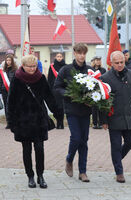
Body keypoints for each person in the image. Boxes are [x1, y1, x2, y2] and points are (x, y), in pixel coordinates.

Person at [7, 54, 61, 189]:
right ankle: (30, 176)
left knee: (39, 148)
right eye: (29, 67)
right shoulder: (17, 79)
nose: (32, 69)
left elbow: (49, 96)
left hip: (38, 118)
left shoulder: (41, 78)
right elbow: (11, 101)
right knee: (26, 149)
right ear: (23, 66)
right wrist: (11, 121)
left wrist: (57, 111)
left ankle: (40, 175)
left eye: (34, 66)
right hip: (22, 119)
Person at [101, 51, 131, 183]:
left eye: (122, 62)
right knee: (115, 145)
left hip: (129, 117)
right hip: (113, 118)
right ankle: (119, 172)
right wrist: (103, 121)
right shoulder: (105, 78)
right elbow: (101, 101)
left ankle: (117, 158)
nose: (120, 65)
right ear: (111, 63)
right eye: (117, 63)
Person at [54, 43, 92, 182]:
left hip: (86, 110)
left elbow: (96, 88)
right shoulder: (66, 70)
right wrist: (70, 93)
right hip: (72, 110)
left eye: (84, 53)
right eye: (79, 53)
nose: (82, 55)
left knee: (84, 141)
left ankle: (83, 172)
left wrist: (93, 99)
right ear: (74, 54)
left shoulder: (89, 70)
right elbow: (57, 87)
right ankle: (69, 159)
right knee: (76, 137)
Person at [0, 54, 18, 129]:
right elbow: (0, 81)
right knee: (6, 107)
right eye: (7, 60)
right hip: (4, 90)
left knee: (13, 106)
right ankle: (9, 122)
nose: (8, 62)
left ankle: (14, 122)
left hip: (13, 90)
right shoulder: (3, 71)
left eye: (10, 60)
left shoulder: (15, 70)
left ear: (12, 61)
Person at [47, 52, 66, 129]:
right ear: (55, 57)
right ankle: (58, 121)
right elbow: (50, 79)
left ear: (62, 57)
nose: (59, 58)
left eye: (60, 56)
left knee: (61, 107)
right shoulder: (52, 67)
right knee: (56, 107)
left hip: (62, 89)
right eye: (58, 56)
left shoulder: (65, 66)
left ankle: (61, 123)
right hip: (54, 90)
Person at [91, 56, 106, 129]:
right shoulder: (91, 69)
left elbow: (105, 78)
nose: (98, 61)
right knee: (94, 108)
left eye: (99, 60)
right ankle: (94, 123)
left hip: (101, 90)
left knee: (100, 107)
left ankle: (100, 123)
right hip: (93, 90)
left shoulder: (103, 70)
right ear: (94, 61)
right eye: (97, 60)